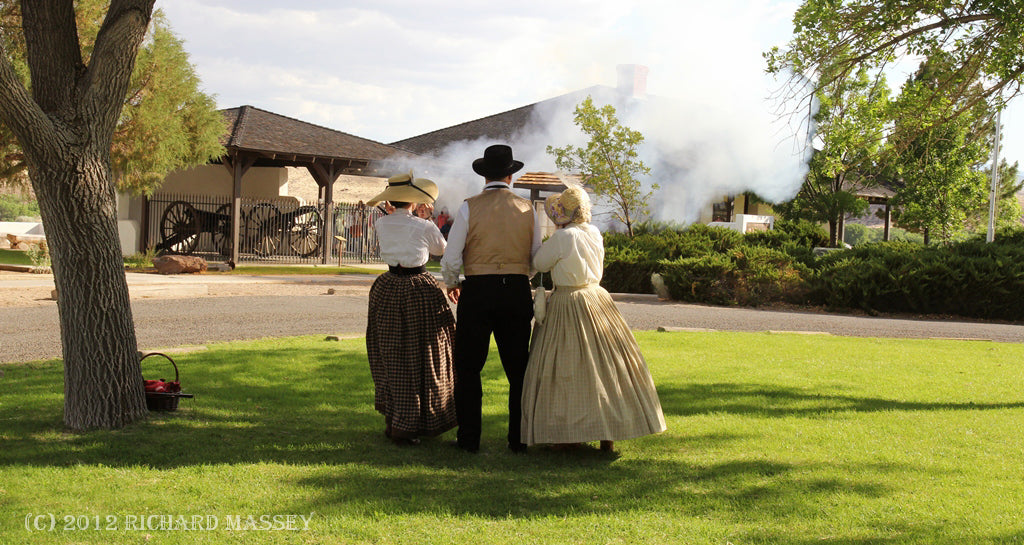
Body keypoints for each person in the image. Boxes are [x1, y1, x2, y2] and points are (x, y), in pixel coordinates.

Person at [521, 186, 666, 452]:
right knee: (605, 365)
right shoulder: (594, 232)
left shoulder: (565, 237)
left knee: (568, 366)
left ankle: (570, 434)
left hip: (569, 301)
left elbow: (540, 263)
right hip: (597, 299)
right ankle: (606, 434)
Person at [441, 144, 542, 454]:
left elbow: (450, 257)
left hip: (478, 290)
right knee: (518, 368)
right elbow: (537, 258)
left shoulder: (469, 207)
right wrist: (520, 273)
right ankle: (518, 438)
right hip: (515, 289)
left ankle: (470, 439)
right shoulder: (528, 209)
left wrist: (452, 281)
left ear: (484, 176)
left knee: (469, 367)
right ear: (511, 175)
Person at [365, 173, 456, 446]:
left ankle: (396, 420)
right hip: (418, 288)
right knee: (425, 352)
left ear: (389, 200)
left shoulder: (382, 223)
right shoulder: (423, 226)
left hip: (388, 286)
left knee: (391, 352)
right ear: (415, 201)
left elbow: (396, 227)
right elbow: (443, 250)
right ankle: (416, 421)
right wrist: (425, 220)